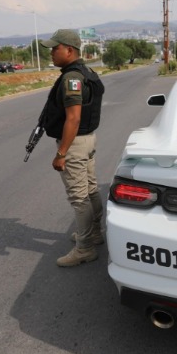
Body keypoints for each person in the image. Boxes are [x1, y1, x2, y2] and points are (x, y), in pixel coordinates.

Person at [40, 29, 105, 267]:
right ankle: (94, 233)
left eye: (55, 48)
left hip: (75, 144)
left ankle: (85, 248)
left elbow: (74, 118)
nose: (51, 53)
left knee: (79, 198)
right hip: (87, 140)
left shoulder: (72, 78)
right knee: (91, 190)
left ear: (69, 50)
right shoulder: (87, 72)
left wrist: (61, 153)